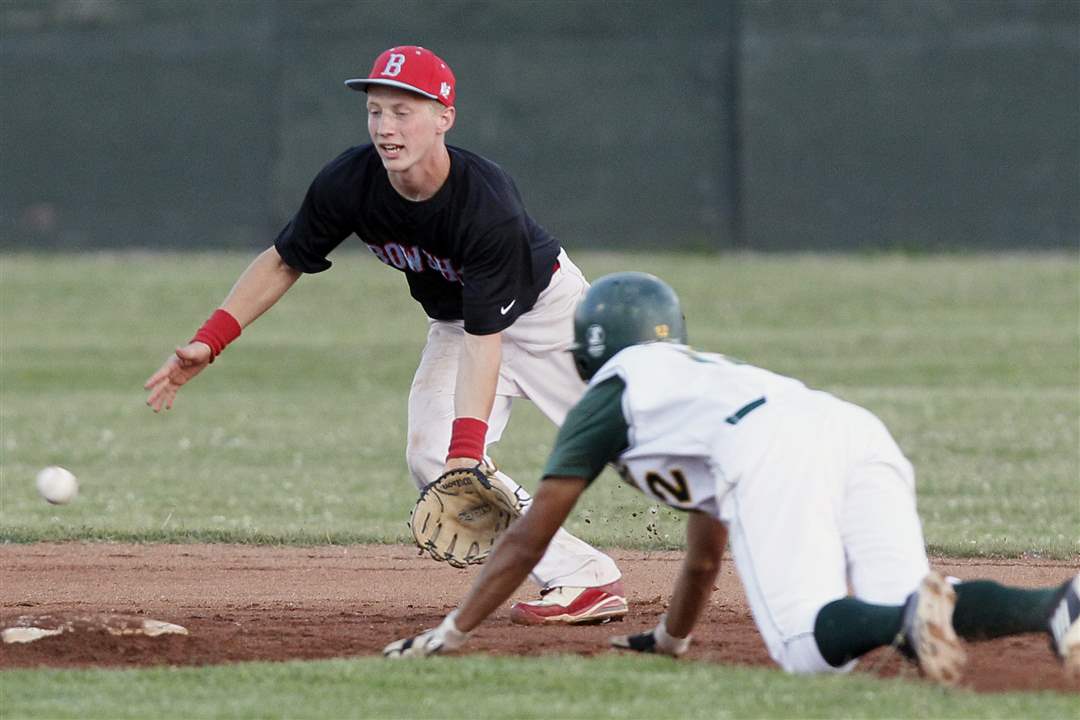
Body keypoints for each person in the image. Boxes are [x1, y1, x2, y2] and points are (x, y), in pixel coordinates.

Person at [382, 271, 1080, 687]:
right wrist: (673, 639)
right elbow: (705, 551)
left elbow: (531, 538)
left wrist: (454, 629)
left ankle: (911, 617)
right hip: (852, 429)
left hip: (775, 449)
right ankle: (1055, 605)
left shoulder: (611, 397)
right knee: (911, 604)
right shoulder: (695, 385)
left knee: (810, 649)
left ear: (589, 346)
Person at [143, 45, 626, 625]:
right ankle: (582, 578)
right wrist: (211, 339)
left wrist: (469, 452)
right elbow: (284, 259)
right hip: (458, 323)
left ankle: (752, 503)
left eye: (403, 111)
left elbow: (487, 338)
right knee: (432, 458)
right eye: (375, 111)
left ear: (444, 117)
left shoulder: (485, 202)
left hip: (549, 315)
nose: (385, 127)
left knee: (639, 437)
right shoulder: (350, 182)